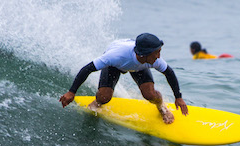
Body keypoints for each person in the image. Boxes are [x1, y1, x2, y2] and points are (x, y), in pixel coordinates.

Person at [59, 33, 188, 124]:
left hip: (139, 66)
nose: (159, 56)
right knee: (104, 98)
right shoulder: (114, 56)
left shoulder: (154, 59)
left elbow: (169, 73)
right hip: (115, 66)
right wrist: (72, 92)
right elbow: (87, 69)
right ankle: (97, 103)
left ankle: (161, 108)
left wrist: (178, 97)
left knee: (150, 94)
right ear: (144, 54)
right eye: (157, 52)